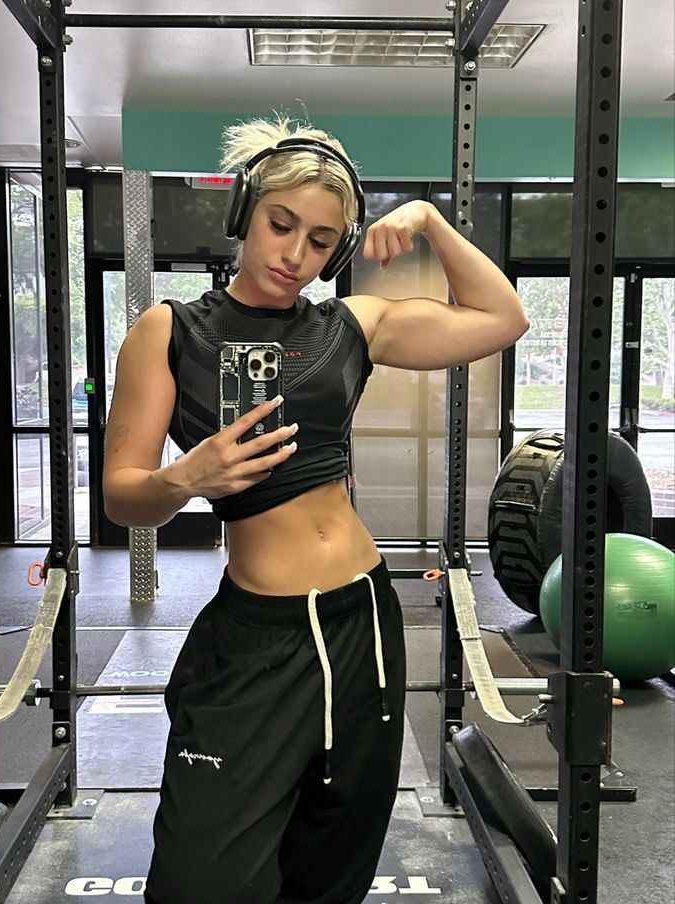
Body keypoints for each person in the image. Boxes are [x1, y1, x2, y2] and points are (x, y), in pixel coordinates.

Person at [102, 115, 529, 904]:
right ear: (243, 215)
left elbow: (503, 319)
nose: (294, 254)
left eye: (321, 239)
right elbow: (123, 493)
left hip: (361, 616)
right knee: (201, 877)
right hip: (253, 635)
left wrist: (432, 220)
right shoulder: (168, 331)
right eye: (280, 224)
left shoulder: (349, 326)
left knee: (335, 856)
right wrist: (184, 479)